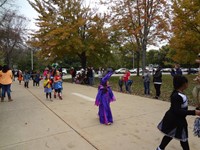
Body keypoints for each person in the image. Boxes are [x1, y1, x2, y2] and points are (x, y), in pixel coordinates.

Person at [156, 75, 200, 150]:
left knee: (170, 135)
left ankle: (160, 148)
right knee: (182, 137)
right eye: (187, 83)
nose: (188, 84)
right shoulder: (177, 96)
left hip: (177, 119)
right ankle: (160, 148)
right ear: (183, 84)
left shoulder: (179, 94)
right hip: (175, 120)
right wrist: (194, 112)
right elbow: (177, 111)